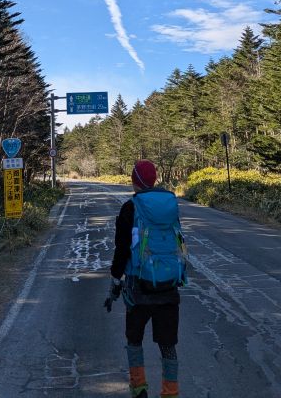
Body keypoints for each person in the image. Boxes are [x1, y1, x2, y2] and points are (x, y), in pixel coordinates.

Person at [104, 159, 185, 398]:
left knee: (134, 341)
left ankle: (139, 389)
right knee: (168, 346)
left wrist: (115, 281)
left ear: (135, 181)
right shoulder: (170, 206)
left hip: (138, 287)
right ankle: (170, 393)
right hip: (168, 286)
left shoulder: (130, 208)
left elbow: (122, 250)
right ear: (154, 179)